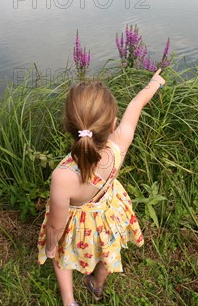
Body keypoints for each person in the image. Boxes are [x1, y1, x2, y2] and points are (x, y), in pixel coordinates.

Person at [37, 69, 166, 306]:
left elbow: (56, 223)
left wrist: (51, 246)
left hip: (79, 225)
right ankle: (96, 285)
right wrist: (155, 82)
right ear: (113, 123)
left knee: (61, 256)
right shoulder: (119, 144)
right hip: (108, 214)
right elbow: (137, 104)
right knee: (108, 251)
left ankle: (69, 301)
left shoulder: (62, 176)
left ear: (67, 125)